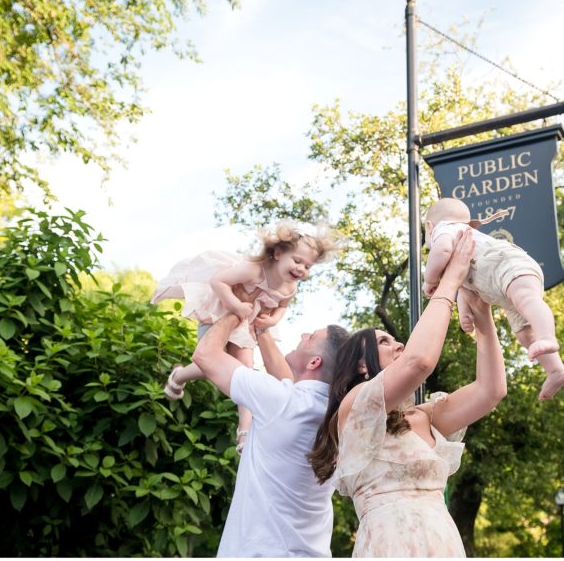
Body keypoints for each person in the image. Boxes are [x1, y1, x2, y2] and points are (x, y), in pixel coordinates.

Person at [309, 228, 507, 557]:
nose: (398, 343)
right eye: (384, 342)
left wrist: (482, 315)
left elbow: (491, 390)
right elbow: (420, 361)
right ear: (361, 366)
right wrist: (450, 280)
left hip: (442, 543)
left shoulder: (425, 416)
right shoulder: (354, 409)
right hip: (391, 545)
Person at [153, 222, 338, 452]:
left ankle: (244, 431)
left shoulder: (290, 287)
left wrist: (273, 320)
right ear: (278, 253)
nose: (301, 269)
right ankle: (180, 375)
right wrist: (236, 305)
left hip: (246, 325)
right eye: (297, 261)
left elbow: (282, 306)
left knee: (245, 370)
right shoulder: (254, 270)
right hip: (221, 314)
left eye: (308, 266)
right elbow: (217, 281)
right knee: (210, 362)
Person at [192, 305, 350, 558]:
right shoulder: (335, 414)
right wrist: (261, 330)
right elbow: (290, 381)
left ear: (314, 362)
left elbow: (205, 355)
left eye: (310, 337)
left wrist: (236, 309)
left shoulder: (282, 401)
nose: (302, 335)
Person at [422, 197, 564, 400]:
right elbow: (465, 287)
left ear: (429, 226)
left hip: (507, 265)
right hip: (501, 288)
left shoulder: (445, 229)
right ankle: (555, 370)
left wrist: (429, 279)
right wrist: (465, 313)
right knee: (523, 333)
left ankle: (547, 337)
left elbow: (442, 249)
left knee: (527, 299)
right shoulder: (461, 249)